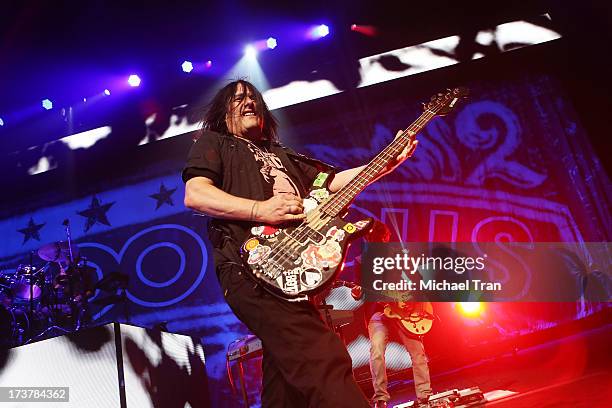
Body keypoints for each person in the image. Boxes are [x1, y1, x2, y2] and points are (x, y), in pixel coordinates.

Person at [182, 79, 417, 407]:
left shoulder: (282, 154)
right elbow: (196, 194)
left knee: (285, 387)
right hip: (250, 269)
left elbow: (331, 184)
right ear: (224, 113)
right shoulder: (216, 142)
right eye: (238, 99)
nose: (249, 102)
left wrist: (383, 164)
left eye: (254, 98)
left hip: (289, 274)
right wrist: (259, 209)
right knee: (323, 358)